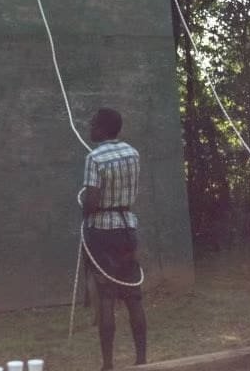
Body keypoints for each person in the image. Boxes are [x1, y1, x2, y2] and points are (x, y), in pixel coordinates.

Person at [82, 108, 146, 371]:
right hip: (128, 228)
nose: (90, 127)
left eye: (94, 124)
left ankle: (108, 364)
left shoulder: (94, 158)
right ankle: (142, 360)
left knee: (106, 297)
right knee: (133, 296)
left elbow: (92, 200)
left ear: (103, 128)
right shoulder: (134, 153)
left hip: (103, 232)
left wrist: (84, 203)